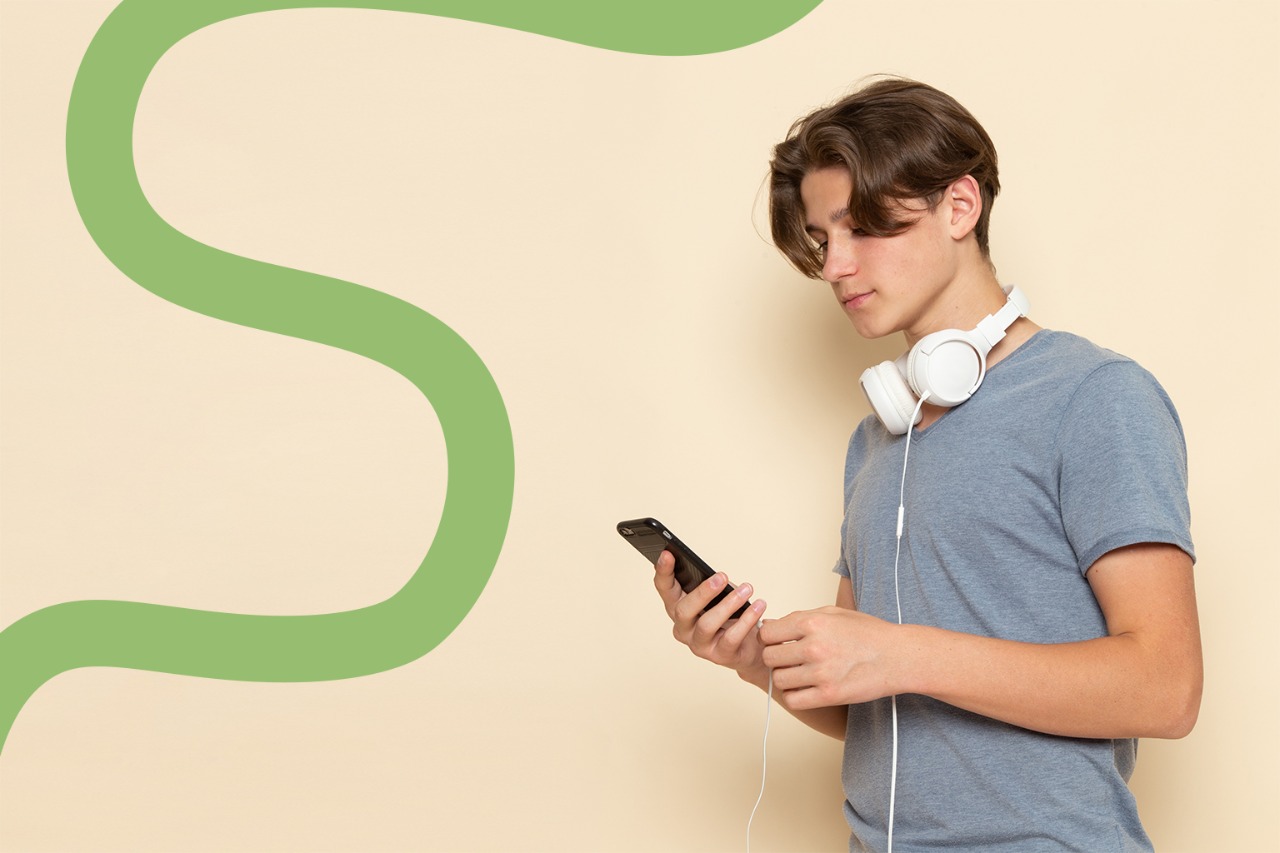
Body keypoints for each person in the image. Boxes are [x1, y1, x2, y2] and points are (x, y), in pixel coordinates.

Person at [651, 77, 1201, 852]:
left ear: (959, 207)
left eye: (863, 227)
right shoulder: (878, 438)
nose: (835, 266)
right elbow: (870, 703)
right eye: (822, 239)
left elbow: (1167, 688)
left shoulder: (1096, 396)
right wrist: (754, 659)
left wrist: (900, 652)